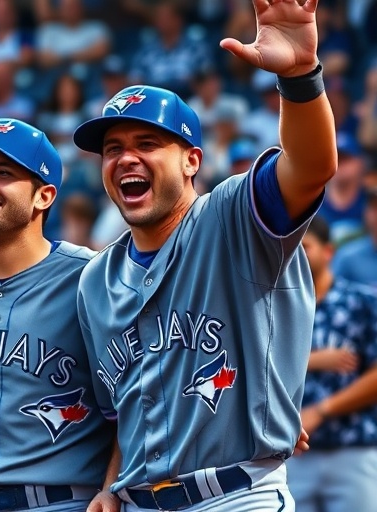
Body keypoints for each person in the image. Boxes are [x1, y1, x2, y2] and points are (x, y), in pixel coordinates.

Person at [71, 0, 337, 510]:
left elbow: (310, 168)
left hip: (234, 495)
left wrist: (301, 77)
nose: (126, 157)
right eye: (112, 148)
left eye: (148, 142)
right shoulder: (96, 279)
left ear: (192, 160)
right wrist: (110, 484)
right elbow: (128, 408)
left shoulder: (232, 215)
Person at [0, 118, 119, 512]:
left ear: (44, 196)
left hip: (63, 502)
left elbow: (132, 399)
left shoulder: (91, 277)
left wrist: (109, 487)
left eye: (3, 172)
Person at [287, 215, 377, 512]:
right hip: (292, 451)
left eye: (306, 246)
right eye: (292, 246)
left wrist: (323, 411)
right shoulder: (275, 305)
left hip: (353, 447)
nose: (297, 253)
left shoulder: (362, 302)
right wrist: (312, 361)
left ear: (329, 252)